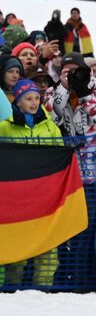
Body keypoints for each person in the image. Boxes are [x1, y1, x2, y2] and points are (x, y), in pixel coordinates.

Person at [0, 79, 62, 286]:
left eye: (36, 98)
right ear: (18, 101)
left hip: (45, 196)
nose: (34, 102)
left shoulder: (50, 127)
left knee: (48, 247)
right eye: (28, 99)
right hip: (17, 198)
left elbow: (59, 155)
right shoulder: (5, 128)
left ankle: (43, 289)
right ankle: (12, 288)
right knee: (17, 247)